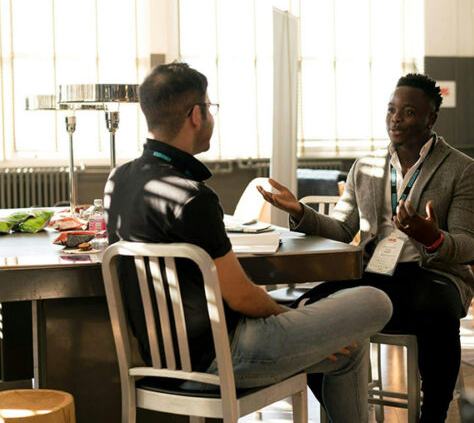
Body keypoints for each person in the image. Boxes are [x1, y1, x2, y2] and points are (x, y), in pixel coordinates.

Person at [104, 62, 393, 423]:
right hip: (224, 357)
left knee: (348, 349)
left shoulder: (119, 180)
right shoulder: (194, 197)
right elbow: (240, 295)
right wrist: (292, 317)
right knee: (375, 300)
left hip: (159, 363)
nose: (211, 116)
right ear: (196, 115)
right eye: (210, 108)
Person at [258, 73, 474, 423]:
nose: (395, 118)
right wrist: (300, 212)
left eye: (408, 111)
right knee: (313, 306)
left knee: (437, 310)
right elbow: (344, 229)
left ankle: (433, 416)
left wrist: (431, 237)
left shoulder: (462, 169)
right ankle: (342, 412)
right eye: (391, 110)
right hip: (376, 273)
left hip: (433, 275)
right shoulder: (364, 167)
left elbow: (469, 245)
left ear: (431, 118)